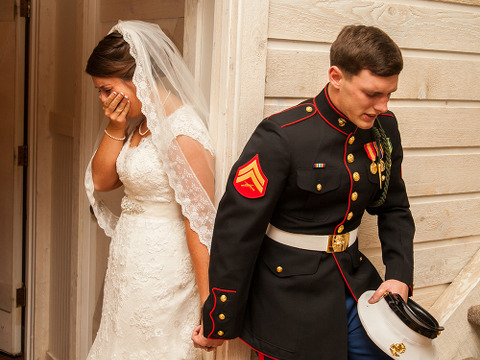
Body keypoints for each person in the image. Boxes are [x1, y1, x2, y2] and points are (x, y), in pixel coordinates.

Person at [192, 25, 415, 359]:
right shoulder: (281, 136)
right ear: (336, 76)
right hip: (288, 301)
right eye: (372, 94)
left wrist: (399, 277)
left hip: (355, 285)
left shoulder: (385, 129)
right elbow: (237, 233)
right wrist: (219, 320)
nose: (382, 106)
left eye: (389, 94)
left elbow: (394, 207)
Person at [84, 20, 216, 359]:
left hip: (166, 272)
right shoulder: (141, 123)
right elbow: (103, 181)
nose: (102, 98)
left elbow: (199, 221)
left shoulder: (182, 132)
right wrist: (115, 126)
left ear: (137, 78)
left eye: (105, 88)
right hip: (129, 264)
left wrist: (209, 304)